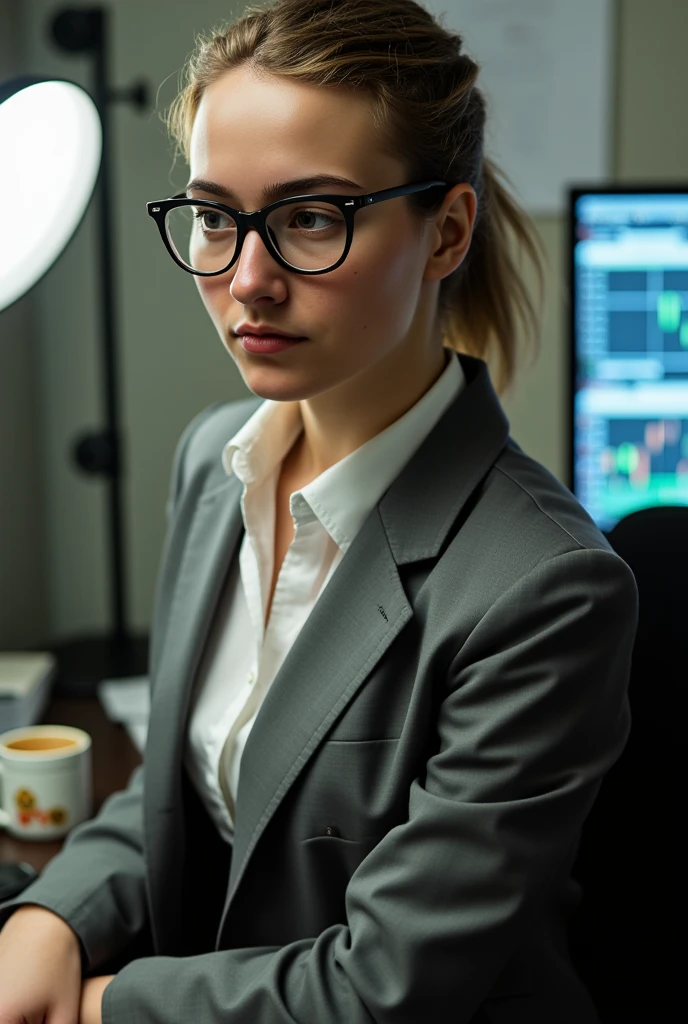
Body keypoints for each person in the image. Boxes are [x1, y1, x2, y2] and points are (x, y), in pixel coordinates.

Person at [0, 1, 639, 1022]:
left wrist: (100, 1005)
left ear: (447, 233)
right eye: (215, 215)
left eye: (310, 217)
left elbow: (392, 983)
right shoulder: (215, 458)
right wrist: (51, 918)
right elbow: (183, 780)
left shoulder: (545, 586)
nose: (247, 281)